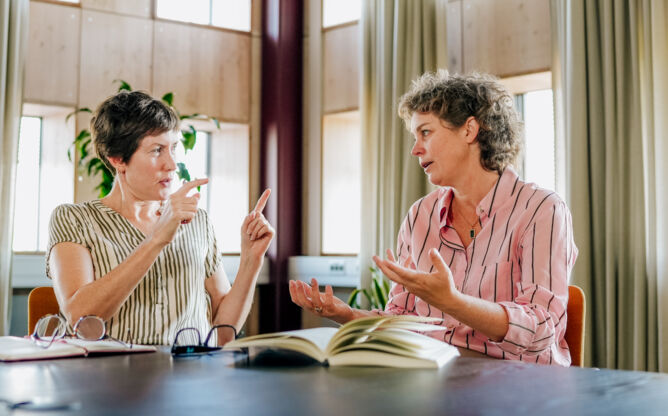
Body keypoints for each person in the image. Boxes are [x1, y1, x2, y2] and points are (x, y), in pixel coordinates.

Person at [289, 71, 578, 365]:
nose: (415, 149)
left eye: (425, 132)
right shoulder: (419, 216)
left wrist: (453, 302)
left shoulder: (541, 209)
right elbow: (402, 318)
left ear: (469, 130)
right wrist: (347, 314)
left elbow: (541, 330)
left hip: (520, 389)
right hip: (438, 380)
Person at [46, 90, 274, 346]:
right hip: (111, 377)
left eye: (173, 148)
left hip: (192, 376)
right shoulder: (74, 219)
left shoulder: (198, 221)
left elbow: (222, 333)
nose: (172, 164)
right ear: (118, 159)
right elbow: (81, 319)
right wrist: (156, 240)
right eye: (157, 150)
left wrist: (251, 261)